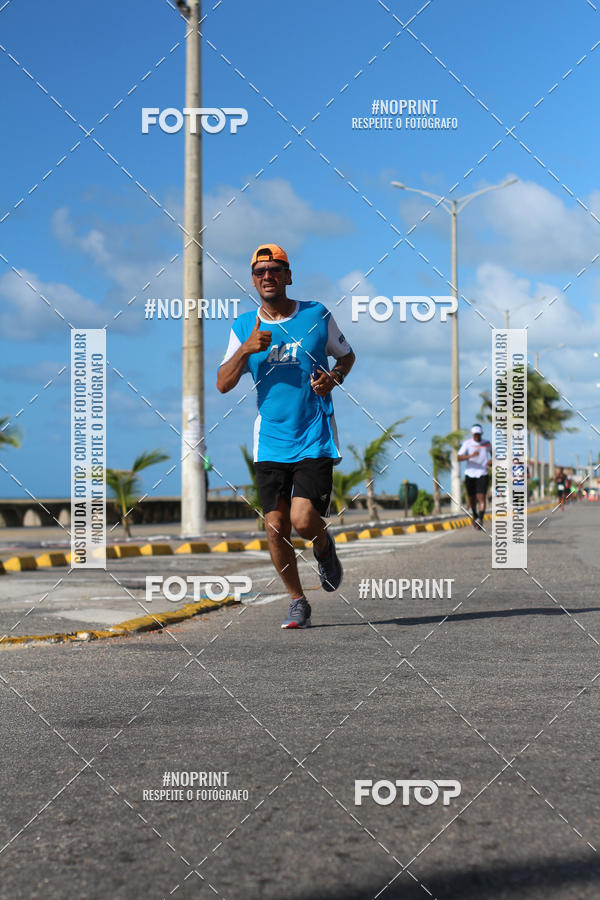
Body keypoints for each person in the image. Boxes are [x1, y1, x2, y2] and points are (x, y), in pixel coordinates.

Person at [217, 244, 356, 629]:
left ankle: (324, 547)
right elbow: (223, 383)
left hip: (314, 434)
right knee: (276, 525)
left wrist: (335, 377)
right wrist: (245, 350)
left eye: (274, 269)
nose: (267, 276)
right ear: (253, 279)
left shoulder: (316, 314)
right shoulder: (244, 327)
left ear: (288, 276)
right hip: (270, 442)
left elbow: (346, 356)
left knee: (304, 518)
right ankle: (297, 600)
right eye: (259, 271)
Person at [457, 425, 492, 528]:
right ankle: (475, 515)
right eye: (475, 434)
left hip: (483, 474)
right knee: (472, 499)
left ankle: (480, 519)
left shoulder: (486, 443)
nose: (476, 436)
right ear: (472, 434)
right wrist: (470, 456)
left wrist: (491, 461)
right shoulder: (467, 443)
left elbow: (494, 455)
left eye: (478, 434)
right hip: (470, 474)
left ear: (481, 433)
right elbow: (458, 457)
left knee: (481, 497)